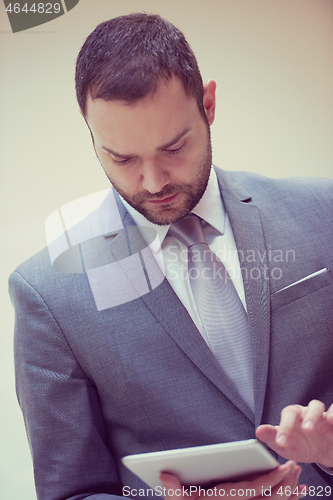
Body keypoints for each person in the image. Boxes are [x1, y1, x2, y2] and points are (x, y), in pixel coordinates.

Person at [9, 13, 333, 500]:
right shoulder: (47, 294)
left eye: (174, 147)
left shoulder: (322, 212)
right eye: (122, 158)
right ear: (92, 136)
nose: (154, 182)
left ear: (208, 104)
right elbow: (70, 491)